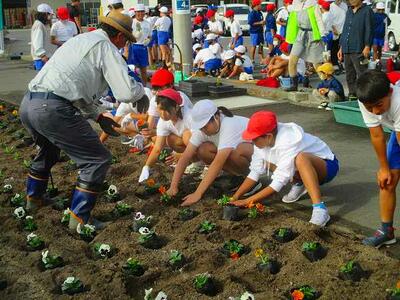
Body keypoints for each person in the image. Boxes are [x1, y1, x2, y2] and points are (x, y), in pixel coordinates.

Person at [19, 11, 147, 233]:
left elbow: (72, 86)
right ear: (118, 36)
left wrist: (98, 115)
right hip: (52, 109)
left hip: (29, 103)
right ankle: (79, 218)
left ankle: (34, 199)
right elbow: (126, 91)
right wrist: (141, 93)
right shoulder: (106, 47)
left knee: (48, 150)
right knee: (97, 159)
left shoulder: (80, 40)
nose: (124, 44)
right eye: (125, 40)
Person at [230, 111, 339, 227]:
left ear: (268, 136)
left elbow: (278, 183)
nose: (252, 141)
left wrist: (248, 201)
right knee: (265, 162)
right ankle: (300, 183)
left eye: (254, 138)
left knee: (301, 158)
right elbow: (255, 172)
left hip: (326, 165)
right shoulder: (262, 143)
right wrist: (236, 196)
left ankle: (319, 208)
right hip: (302, 168)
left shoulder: (288, 141)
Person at [166, 100, 254, 206]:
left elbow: (218, 162)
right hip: (242, 158)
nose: (203, 130)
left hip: (258, 157)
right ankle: (237, 177)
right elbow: (185, 156)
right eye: (200, 127)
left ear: (216, 117)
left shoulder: (229, 125)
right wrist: (173, 186)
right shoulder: (202, 131)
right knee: (203, 150)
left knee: (235, 152)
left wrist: (197, 194)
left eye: (205, 126)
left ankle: (252, 181)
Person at [356, 70, 399, 247]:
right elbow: (376, 135)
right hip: (398, 134)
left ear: (389, 92)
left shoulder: (398, 100)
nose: (375, 111)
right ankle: (386, 231)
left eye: (378, 105)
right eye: (369, 107)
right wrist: (384, 169)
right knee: (387, 181)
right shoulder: (365, 99)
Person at [139, 89, 193, 182]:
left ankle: (200, 163)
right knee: (169, 139)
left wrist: (181, 155)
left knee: (187, 135)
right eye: (160, 109)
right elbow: (157, 148)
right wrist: (146, 166)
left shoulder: (189, 116)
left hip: (204, 146)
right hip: (188, 147)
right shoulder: (163, 121)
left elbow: (198, 143)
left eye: (166, 110)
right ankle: (191, 160)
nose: (163, 114)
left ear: (176, 107)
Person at [285, 0, 326, 91]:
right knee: (292, 60)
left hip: (312, 35)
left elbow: (319, 20)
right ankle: (294, 85)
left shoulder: (313, 4)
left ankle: (326, 83)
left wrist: (323, 34)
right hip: (300, 34)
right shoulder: (296, 4)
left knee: (317, 63)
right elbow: (289, 9)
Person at [338, 0, 374, 100]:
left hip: (359, 48)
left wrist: (367, 46)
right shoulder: (349, 11)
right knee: (349, 74)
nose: (351, 0)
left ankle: (365, 96)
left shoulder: (367, 10)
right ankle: (352, 94)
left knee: (362, 74)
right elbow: (345, 29)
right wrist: (341, 47)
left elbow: (369, 29)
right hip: (347, 47)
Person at [128, 4, 152, 85]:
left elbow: (150, 35)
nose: (140, 13)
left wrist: (148, 40)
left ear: (144, 12)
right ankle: (133, 85)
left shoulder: (147, 23)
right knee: (132, 68)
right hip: (133, 47)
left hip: (143, 47)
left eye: (142, 12)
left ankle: (144, 86)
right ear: (135, 12)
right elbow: (127, 35)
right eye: (138, 12)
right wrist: (133, 37)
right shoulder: (132, 22)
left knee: (143, 69)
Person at [31, 3, 53, 71]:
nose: (51, 16)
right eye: (50, 14)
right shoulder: (39, 25)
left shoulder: (40, 24)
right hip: (41, 58)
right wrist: (42, 55)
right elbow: (37, 42)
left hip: (41, 57)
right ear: (46, 14)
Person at [329, 0, 347, 73]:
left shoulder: (344, 6)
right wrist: (334, 29)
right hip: (335, 31)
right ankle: (335, 65)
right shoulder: (331, 6)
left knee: (343, 49)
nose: (339, 1)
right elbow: (329, 20)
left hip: (344, 30)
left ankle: (342, 65)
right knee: (334, 49)